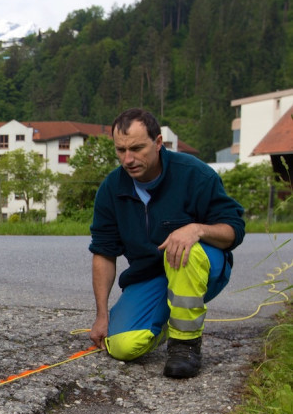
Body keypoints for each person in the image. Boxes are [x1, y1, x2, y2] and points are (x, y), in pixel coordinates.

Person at [88, 108, 245, 378]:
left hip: (202, 267)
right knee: (123, 346)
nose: (128, 159)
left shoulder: (195, 175)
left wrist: (196, 229)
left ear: (158, 143)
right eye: (121, 150)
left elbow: (233, 230)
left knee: (185, 249)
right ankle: (164, 322)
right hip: (151, 276)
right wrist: (102, 315)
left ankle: (185, 345)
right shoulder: (111, 189)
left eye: (137, 148)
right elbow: (104, 253)